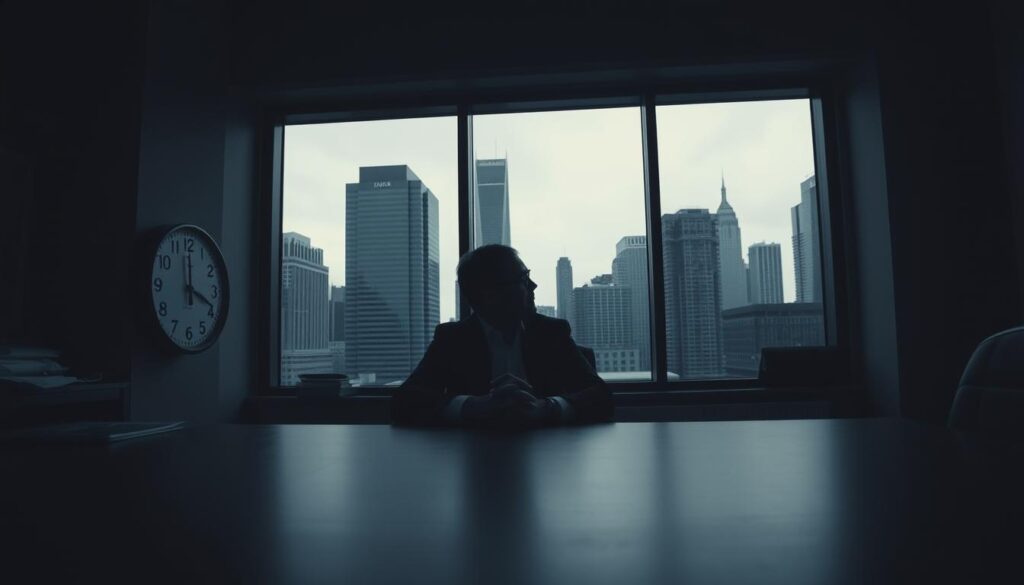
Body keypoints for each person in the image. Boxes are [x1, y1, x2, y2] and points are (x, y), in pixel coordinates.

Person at [392, 244, 614, 427]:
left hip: (549, 457)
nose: (533, 286)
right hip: (473, 454)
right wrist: (473, 406)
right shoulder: (452, 338)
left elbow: (601, 397)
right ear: (489, 294)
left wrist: (547, 408)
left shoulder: (552, 333)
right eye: (523, 279)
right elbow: (404, 401)